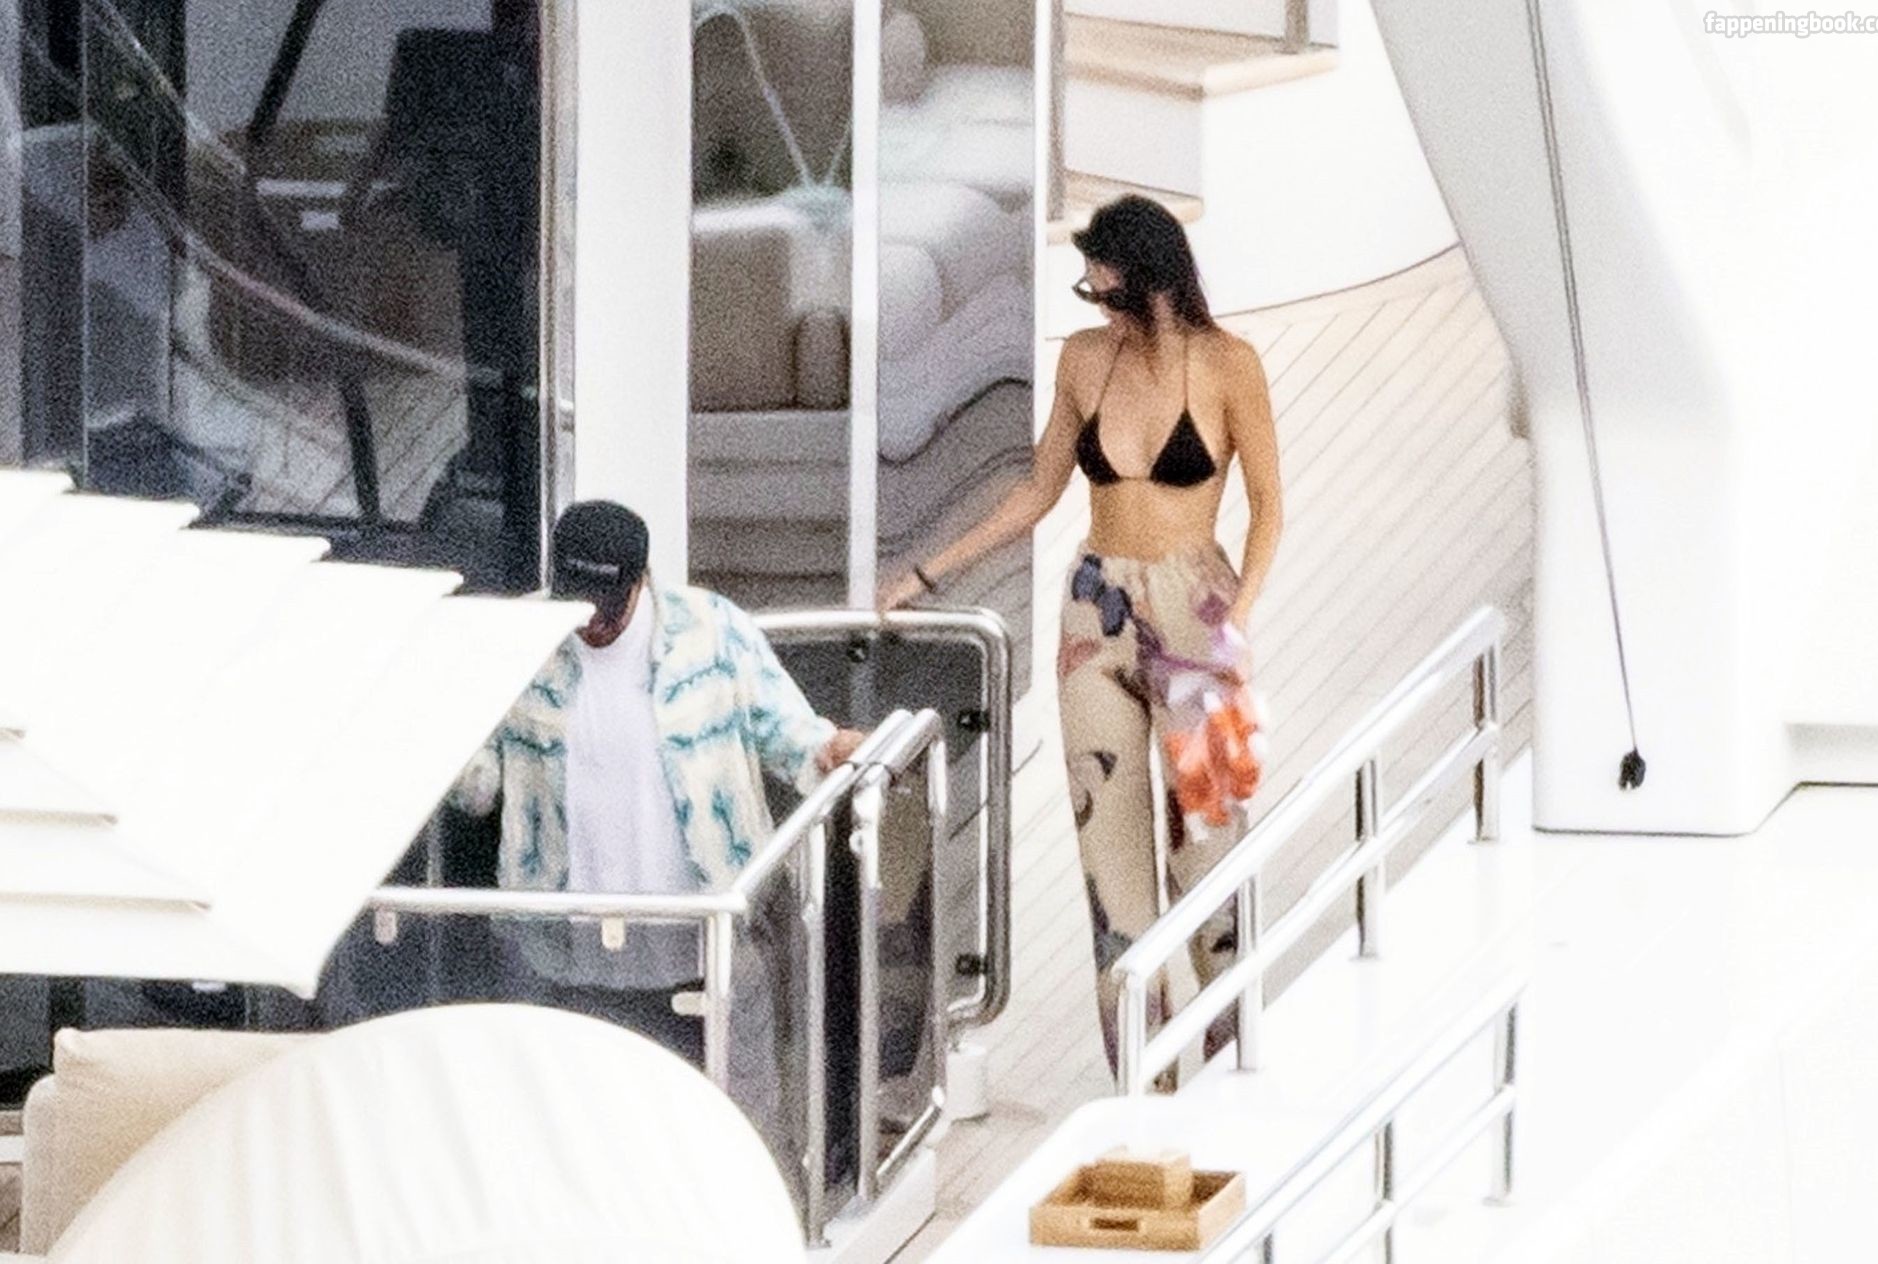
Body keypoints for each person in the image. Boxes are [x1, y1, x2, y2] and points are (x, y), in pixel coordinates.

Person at [881, 195, 1284, 1079]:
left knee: (1208, 844)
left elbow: (1267, 509)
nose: (1099, 309)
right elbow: (1038, 491)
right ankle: (1145, 1081)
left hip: (1195, 608)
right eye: (1089, 293)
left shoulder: (1228, 365)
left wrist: (1240, 615)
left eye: (1108, 293)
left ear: (1153, 284)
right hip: (1095, 608)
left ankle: (1234, 1063)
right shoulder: (1084, 360)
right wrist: (925, 573)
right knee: (1111, 863)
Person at [451, 500, 864, 1065]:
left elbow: (789, 732)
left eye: (607, 607)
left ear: (640, 580)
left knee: (726, 1098)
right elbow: (475, 786)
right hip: (560, 949)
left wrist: (831, 750)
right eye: (577, 602)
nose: (592, 623)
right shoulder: (518, 640)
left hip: (708, 937)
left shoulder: (712, 628)